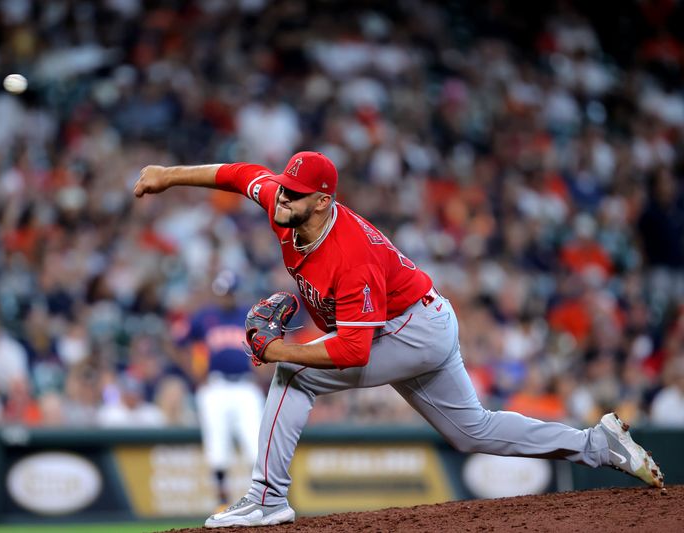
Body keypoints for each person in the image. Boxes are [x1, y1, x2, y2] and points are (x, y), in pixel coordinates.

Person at [134, 151, 665, 528]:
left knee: (294, 373)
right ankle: (597, 445)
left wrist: (279, 351)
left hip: (412, 329)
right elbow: (237, 173)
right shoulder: (283, 199)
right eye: (284, 187)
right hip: (417, 319)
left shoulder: (351, 255)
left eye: (294, 194)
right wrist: (167, 175)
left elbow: (351, 352)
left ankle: (266, 498)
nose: (281, 197)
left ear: (322, 202)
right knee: (471, 430)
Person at [173, 271, 265, 509]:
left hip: (245, 385)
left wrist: (263, 373)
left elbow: (270, 346)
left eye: (230, 292)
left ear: (236, 292)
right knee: (217, 444)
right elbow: (176, 341)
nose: (226, 297)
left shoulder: (250, 316)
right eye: (222, 293)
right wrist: (193, 372)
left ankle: (259, 499)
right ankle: (222, 501)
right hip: (215, 386)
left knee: (255, 445)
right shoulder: (205, 317)